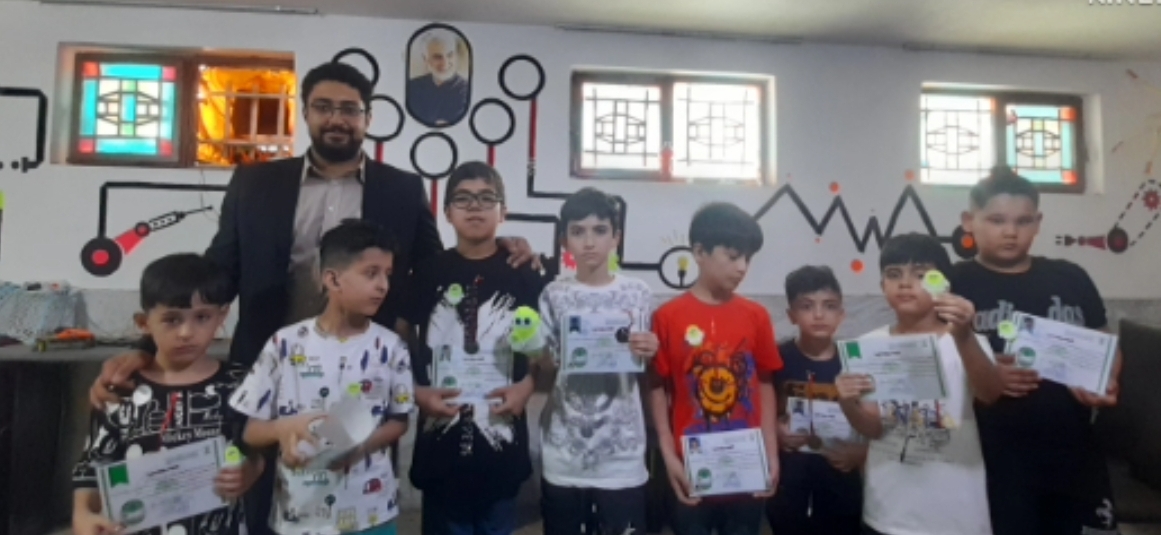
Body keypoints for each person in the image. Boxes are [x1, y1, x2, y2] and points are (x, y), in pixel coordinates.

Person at [86, 61, 536, 535]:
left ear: (367, 118)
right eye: (324, 107)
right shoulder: (256, 183)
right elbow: (215, 275)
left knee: (355, 497)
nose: (337, 118)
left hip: (364, 378)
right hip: (271, 370)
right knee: (262, 502)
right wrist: (147, 348)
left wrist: (497, 249)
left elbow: (435, 271)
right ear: (305, 112)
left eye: (350, 109)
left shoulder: (401, 189)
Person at [951, 166, 1123, 535]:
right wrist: (986, 372)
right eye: (996, 220)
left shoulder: (1070, 276)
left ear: (1038, 222)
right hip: (993, 459)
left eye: (1023, 220)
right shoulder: (954, 284)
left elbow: (1104, 341)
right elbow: (935, 362)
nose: (1011, 232)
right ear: (969, 221)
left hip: (1073, 454)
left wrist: (1105, 377)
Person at [228, 220, 414, 535]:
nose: (383, 285)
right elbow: (251, 431)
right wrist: (284, 429)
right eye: (371, 273)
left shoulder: (391, 347)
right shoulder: (285, 344)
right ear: (333, 279)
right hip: (300, 514)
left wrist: (358, 448)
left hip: (371, 512)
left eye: (387, 274)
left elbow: (399, 421)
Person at [398, 162, 546, 535]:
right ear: (447, 212)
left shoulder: (525, 273)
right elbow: (399, 338)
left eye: (486, 198)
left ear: (503, 211)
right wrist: (415, 390)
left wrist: (527, 386)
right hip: (440, 444)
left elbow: (544, 349)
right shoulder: (428, 272)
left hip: (501, 440)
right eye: (462, 198)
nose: (475, 206)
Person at [72, 253, 263, 535]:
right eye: (171, 320)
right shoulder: (121, 389)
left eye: (202, 317)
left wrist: (251, 471)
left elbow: (258, 448)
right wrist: (82, 513)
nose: (186, 332)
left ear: (221, 316)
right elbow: (93, 463)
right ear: (144, 323)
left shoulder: (242, 384)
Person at [834, 233, 1004, 535]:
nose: (905, 283)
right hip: (888, 510)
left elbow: (990, 393)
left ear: (943, 286)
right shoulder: (867, 346)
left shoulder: (967, 341)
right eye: (893, 274)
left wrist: (964, 336)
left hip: (955, 512)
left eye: (921, 274)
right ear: (882, 286)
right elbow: (873, 428)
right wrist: (847, 403)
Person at [648, 202, 781, 535]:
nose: (742, 268)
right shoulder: (667, 317)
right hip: (691, 465)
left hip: (747, 466)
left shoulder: (756, 316)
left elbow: (765, 383)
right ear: (699, 252)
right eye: (733, 256)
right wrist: (668, 454)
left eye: (747, 259)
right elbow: (657, 387)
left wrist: (771, 451)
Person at [535, 187, 660, 535]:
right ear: (565, 241)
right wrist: (537, 351)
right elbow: (545, 367)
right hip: (565, 447)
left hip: (622, 450)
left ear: (616, 237)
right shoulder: (554, 294)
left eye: (600, 230)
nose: (589, 242)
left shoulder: (638, 293)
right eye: (578, 232)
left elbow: (649, 370)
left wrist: (652, 349)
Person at [766, 265, 864, 535]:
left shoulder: (856, 358)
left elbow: (877, 418)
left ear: (841, 313)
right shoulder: (776, 358)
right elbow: (760, 409)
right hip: (789, 481)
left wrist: (861, 453)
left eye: (829, 306)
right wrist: (775, 431)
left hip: (842, 478)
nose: (819, 315)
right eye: (807, 306)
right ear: (791, 315)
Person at [406, 28, 470, 127]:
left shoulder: (466, 90)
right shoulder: (413, 87)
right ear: (425, 59)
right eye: (437, 57)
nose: (445, 63)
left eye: (450, 55)